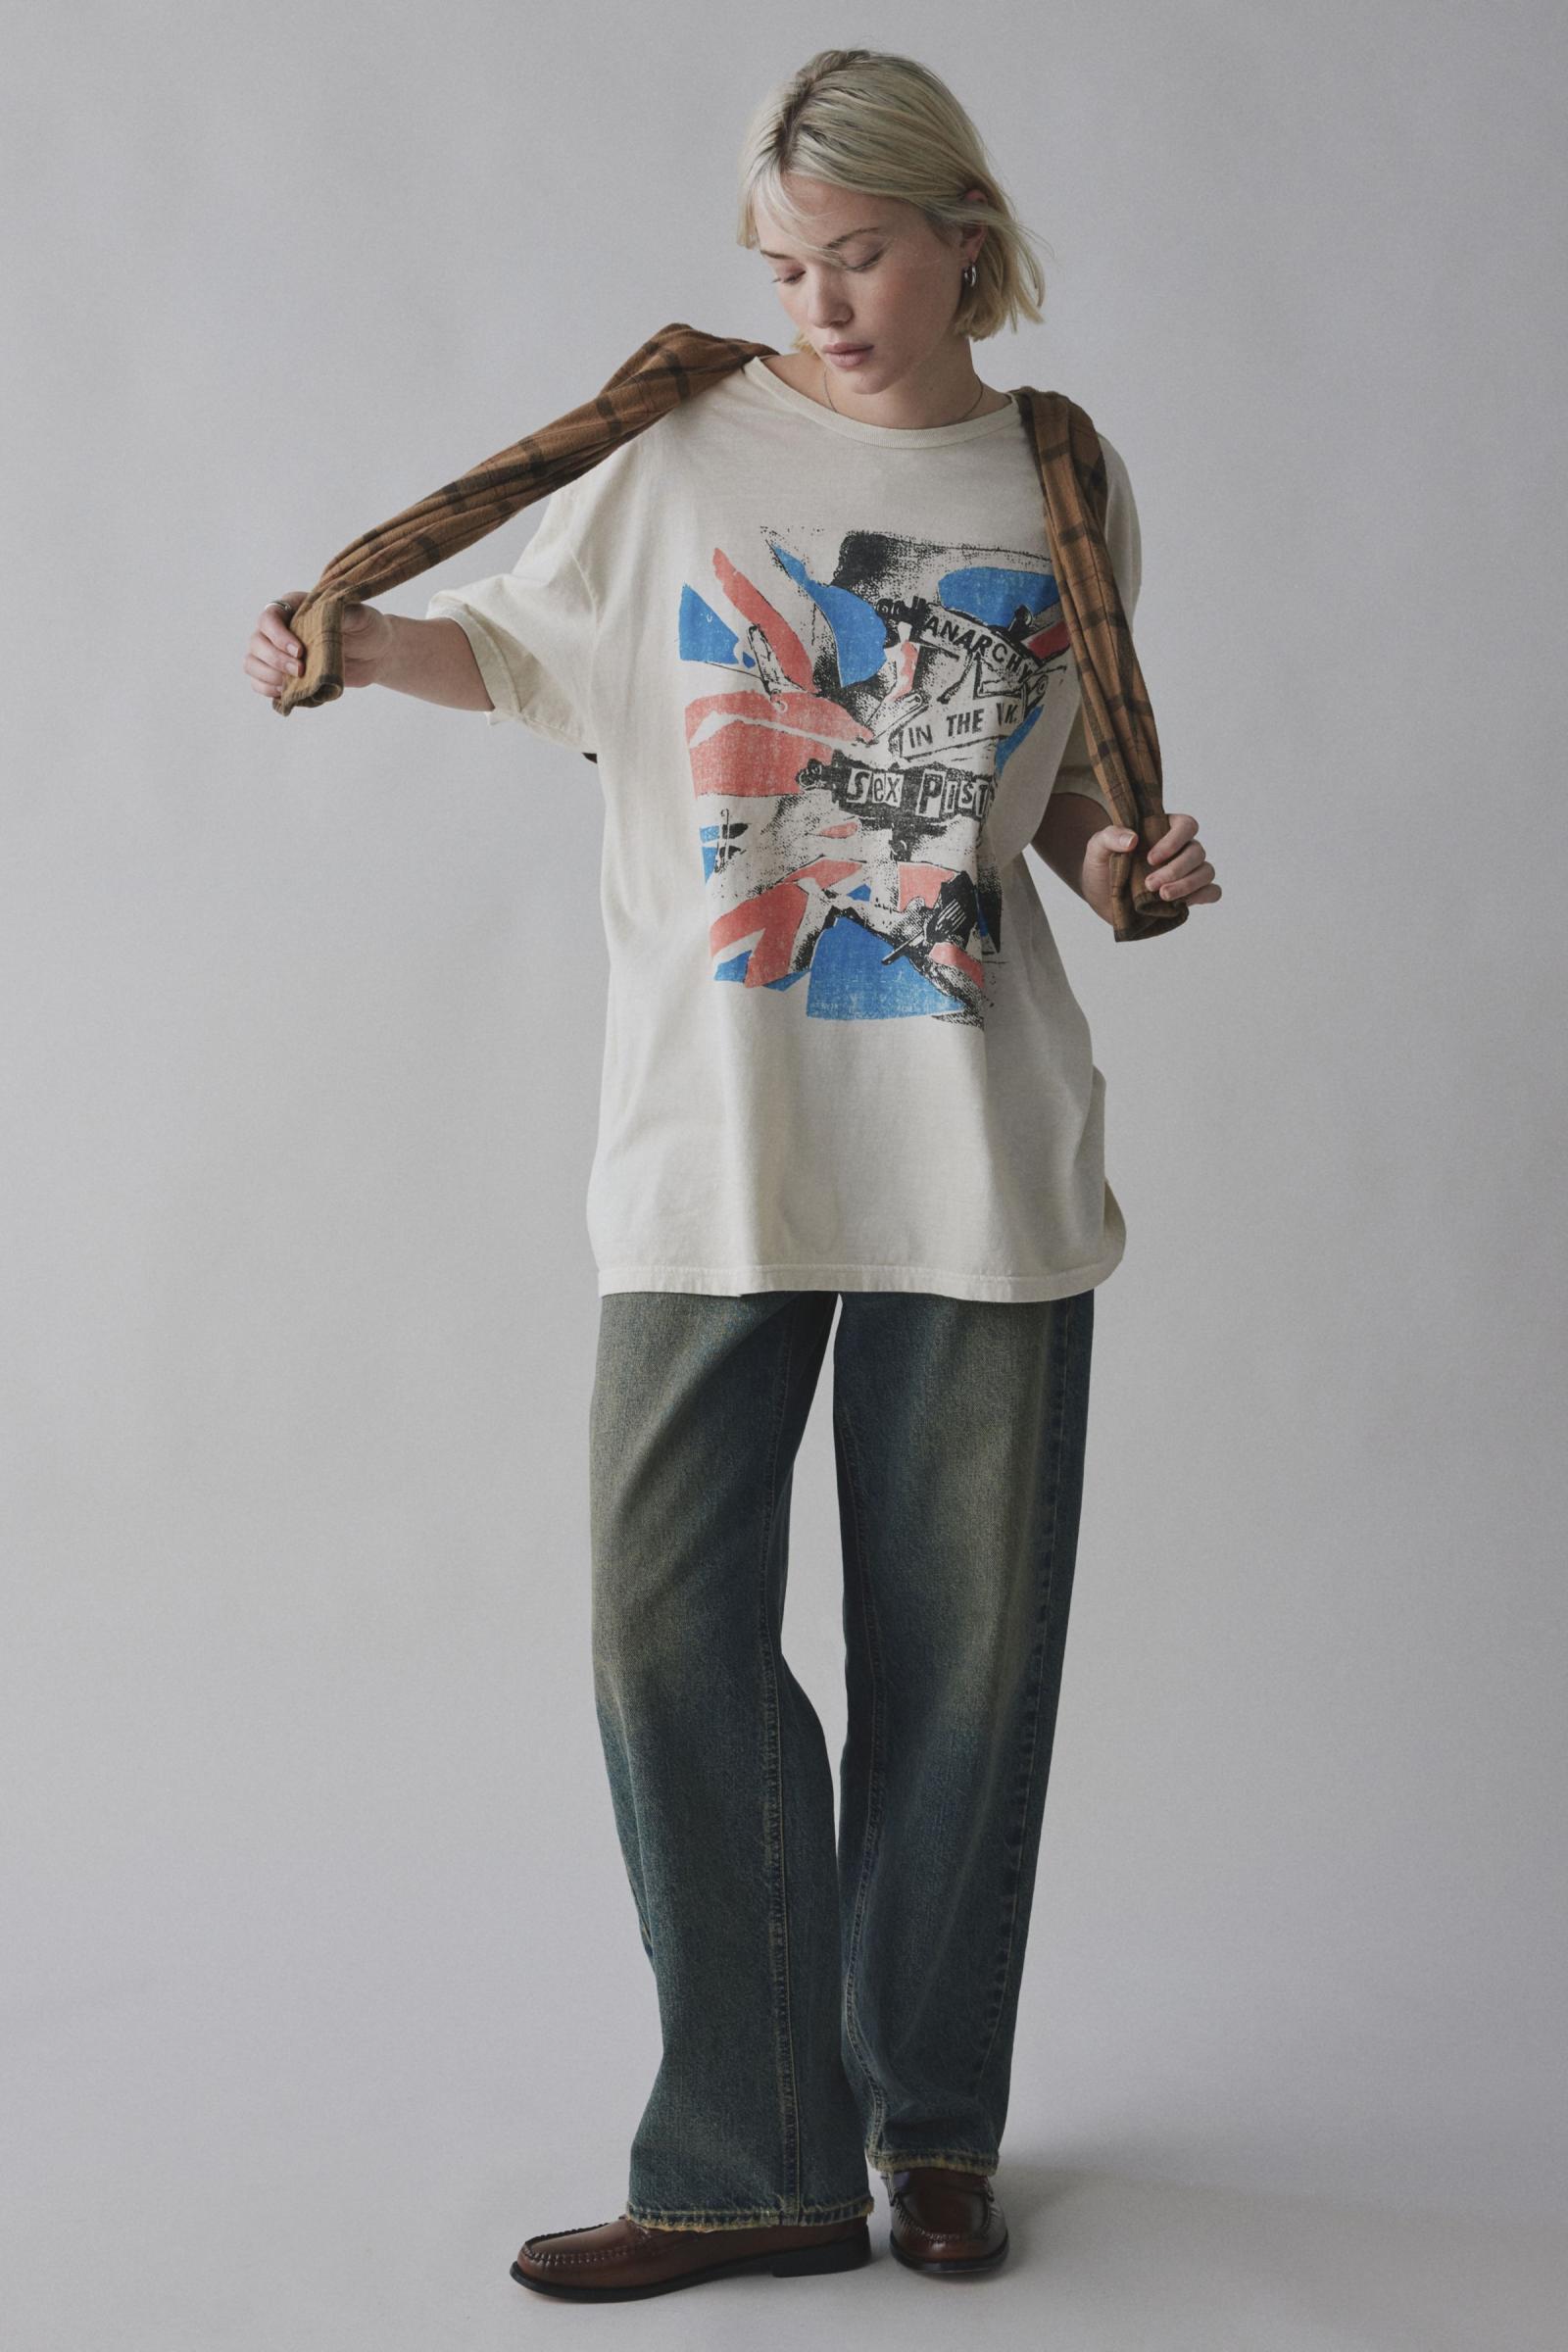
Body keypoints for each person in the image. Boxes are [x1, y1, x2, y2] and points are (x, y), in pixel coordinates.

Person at [244, 44, 1220, 2304]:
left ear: (961, 237)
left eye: (855, 255)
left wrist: (1125, 863)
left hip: (975, 1160)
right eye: (783, 264)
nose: (818, 303)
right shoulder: (681, 443)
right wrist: (355, 647)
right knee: (660, 1634)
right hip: (710, 1150)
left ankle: (929, 2134)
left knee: (962, 1678)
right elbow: (534, 657)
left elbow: (1055, 802)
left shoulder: (1057, 474)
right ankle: (752, 2157)